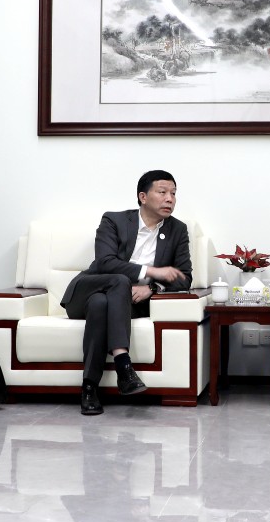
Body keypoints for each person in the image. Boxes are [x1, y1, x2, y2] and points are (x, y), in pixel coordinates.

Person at [61, 171, 191, 416]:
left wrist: (152, 288)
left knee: (100, 305)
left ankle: (89, 388)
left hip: (124, 304)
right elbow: (105, 262)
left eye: (173, 193)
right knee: (118, 281)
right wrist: (152, 271)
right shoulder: (114, 220)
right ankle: (123, 364)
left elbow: (184, 276)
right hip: (86, 292)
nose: (170, 199)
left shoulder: (177, 230)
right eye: (162, 192)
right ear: (143, 197)